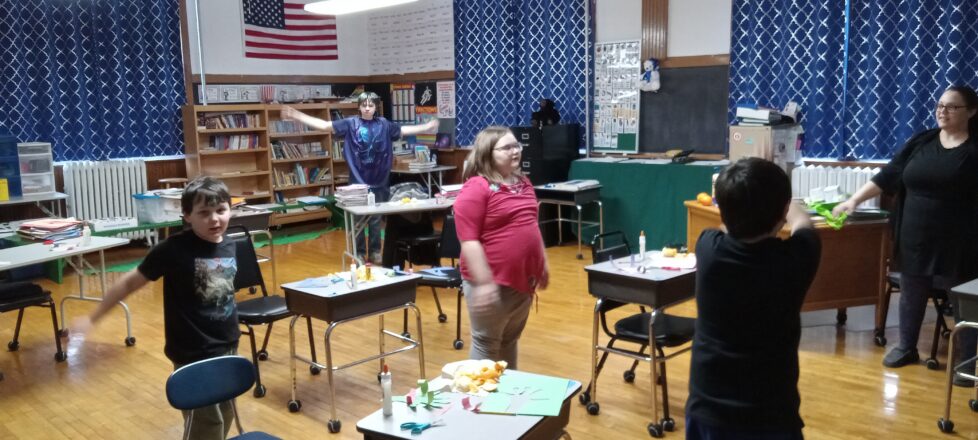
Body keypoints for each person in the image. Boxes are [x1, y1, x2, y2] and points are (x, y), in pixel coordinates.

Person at [71, 176, 240, 440]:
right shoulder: (172, 250)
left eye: (221, 211)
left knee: (226, 412)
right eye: (204, 213)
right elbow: (129, 283)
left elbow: (222, 294)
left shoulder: (228, 243)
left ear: (231, 209)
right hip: (193, 351)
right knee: (207, 424)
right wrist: (93, 317)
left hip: (227, 344)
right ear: (186, 216)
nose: (215, 219)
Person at [833, 85, 978, 378]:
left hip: (958, 241)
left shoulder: (975, 149)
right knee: (911, 292)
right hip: (914, 236)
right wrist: (853, 200)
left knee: (960, 299)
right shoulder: (921, 142)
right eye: (940, 105)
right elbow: (888, 176)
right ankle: (907, 347)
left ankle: (966, 364)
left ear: (971, 112)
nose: (942, 111)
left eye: (951, 107)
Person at [686, 158, 821, 440]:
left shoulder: (707, 249)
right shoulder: (797, 259)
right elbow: (804, 224)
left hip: (709, 409)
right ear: (783, 210)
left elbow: (725, 227)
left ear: (723, 210)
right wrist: (786, 204)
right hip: (771, 413)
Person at [282, 92, 439, 264]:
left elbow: (403, 130)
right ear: (358, 106)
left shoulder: (384, 124)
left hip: (380, 181)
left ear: (375, 107)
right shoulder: (350, 124)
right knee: (357, 222)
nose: (367, 108)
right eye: (364, 105)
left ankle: (375, 252)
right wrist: (297, 115)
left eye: (370, 105)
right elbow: (325, 125)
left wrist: (426, 127)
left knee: (375, 221)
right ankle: (358, 253)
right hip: (357, 183)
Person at [454, 126, 549, 369]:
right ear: (488, 153)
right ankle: (476, 404)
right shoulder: (477, 187)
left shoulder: (523, 182)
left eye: (516, 145)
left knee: (509, 340)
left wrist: (542, 265)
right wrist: (484, 283)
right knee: (486, 345)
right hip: (490, 282)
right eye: (507, 147)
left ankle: (506, 403)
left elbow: (531, 226)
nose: (515, 150)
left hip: (522, 281)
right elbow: (469, 240)